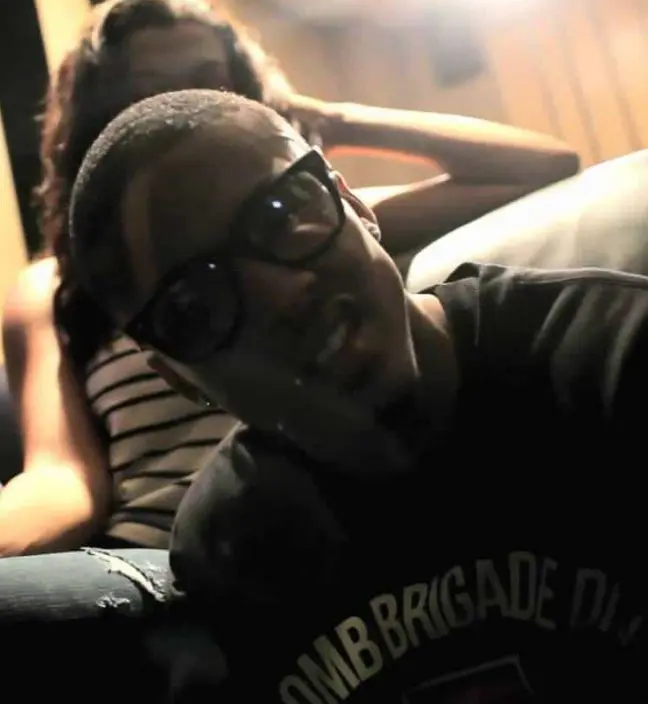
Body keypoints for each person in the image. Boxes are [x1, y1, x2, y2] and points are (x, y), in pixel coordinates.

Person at [65, 89, 646, 702]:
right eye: (195, 306)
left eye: (284, 213)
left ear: (353, 204)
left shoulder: (614, 357)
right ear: (179, 377)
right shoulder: (229, 548)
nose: (282, 296)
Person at [0, 0, 579, 556]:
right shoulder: (53, 286)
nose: (180, 103)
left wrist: (324, 119)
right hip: (144, 555)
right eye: (147, 90)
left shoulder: (314, 218)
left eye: (206, 79)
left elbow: (542, 164)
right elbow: (61, 479)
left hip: (307, 542)